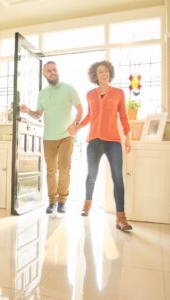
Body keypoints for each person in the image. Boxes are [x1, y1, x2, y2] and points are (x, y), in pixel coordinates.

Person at [69, 60, 132, 231]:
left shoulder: (118, 93)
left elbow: (124, 117)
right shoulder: (90, 94)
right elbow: (90, 115)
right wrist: (78, 126)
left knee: (118, 177)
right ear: (95, 76)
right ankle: (87, 203)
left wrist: (127, 136)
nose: (104, 74)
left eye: (106, 71)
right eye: (100, 72)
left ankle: (121, 217)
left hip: (113, 140)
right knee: (91, 174)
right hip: (94, 140)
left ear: (110, 72)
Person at [20, 61, 83, 214]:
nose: (52, 72)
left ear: (57, 70)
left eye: (54, 69)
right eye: (48, 71)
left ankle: (62, 201)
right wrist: (28, 111)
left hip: (66, 136)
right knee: (50, 171)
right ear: (44, 74)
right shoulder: (43, 94)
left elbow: (80, 109)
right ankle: (52, 202)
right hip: (48, 137)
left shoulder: (69, 89)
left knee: (64, 169)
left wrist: (75, 125)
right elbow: (38, 115)